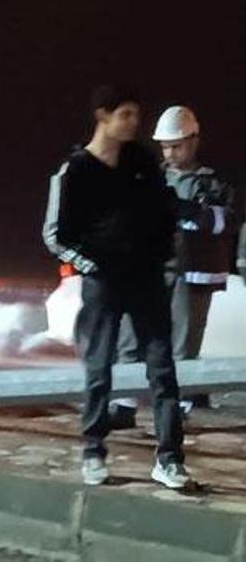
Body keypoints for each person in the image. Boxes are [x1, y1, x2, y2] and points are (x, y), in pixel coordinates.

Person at [42, 84, 189, 489]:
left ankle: (170, 459)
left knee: (163, 371)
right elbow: (55, 235)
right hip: (104, 284)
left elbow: (163, 213)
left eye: (136, 116)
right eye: (126, 115)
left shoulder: (141, 161)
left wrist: (158, 258)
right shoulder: (76, 171)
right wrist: (94, 267)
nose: (133, 124)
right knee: (99, 370)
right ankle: (93, 451)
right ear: (103, 116)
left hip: (146, 280)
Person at [110, 106, 237, 424]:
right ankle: (124, 405)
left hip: (191, 274)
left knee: (182, 344)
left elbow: (228, 223)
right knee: (131, 336)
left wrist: (194, 214)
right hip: (151, 268)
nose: (169, 152)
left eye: (176, 145)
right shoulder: (151, 178)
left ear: (194, 141)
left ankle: (175, 412)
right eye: (165, 146)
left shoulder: (213, 183)